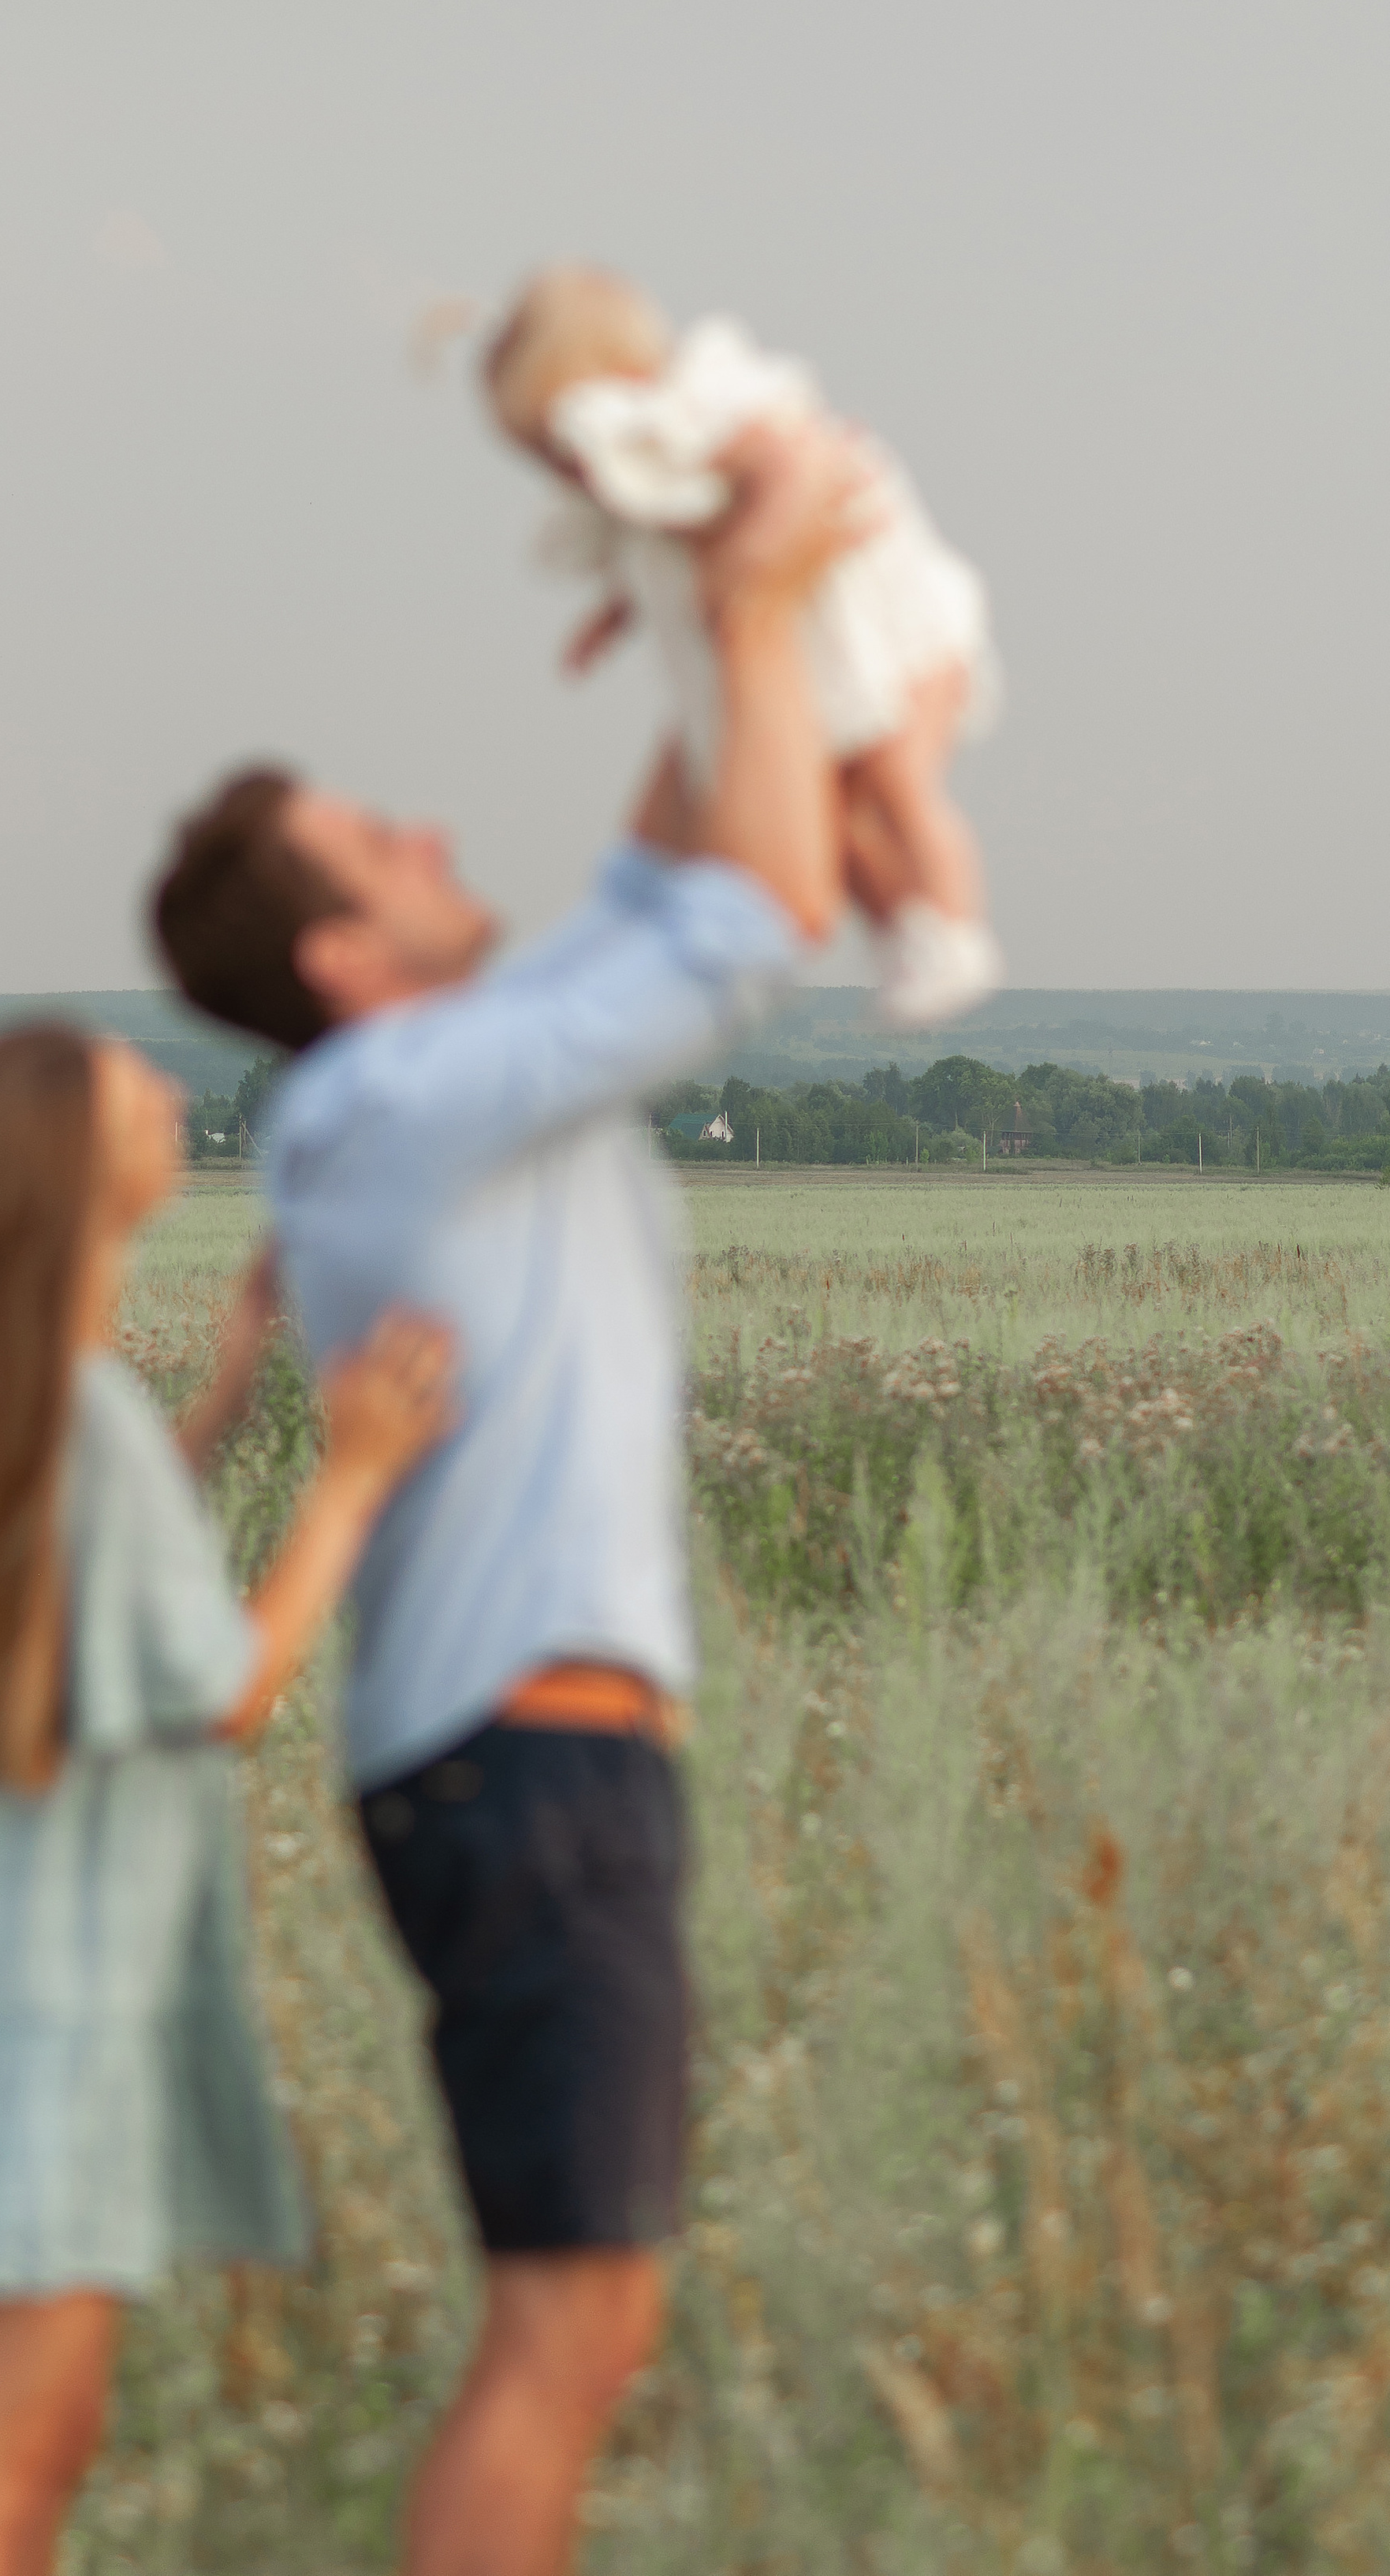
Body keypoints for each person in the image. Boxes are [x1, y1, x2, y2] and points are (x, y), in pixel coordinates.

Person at [151, 419, 868, 2576]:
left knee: (577, 2314)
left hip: (509, 1763)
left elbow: (660, 880)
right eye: (382, 839)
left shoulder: (406, 1087)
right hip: (530, 1766)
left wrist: (688, 612)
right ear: (342, 955)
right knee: (569, 2325)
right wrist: (758, 602)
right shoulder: (419, 1093)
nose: (438, 827)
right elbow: (757, 914)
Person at [0, 1024, 454, 2576]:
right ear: (69, 1172)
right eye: (127, 1085)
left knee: (29, 2446)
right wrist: (353, 1474)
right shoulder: (80, 1425)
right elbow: (226, 1687)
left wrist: (222, 1393)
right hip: (37, 2005)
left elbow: (102, 1582)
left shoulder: (34, 1407)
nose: (167, 1088)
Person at [483, 261, 1003, 1028]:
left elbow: (789, 463)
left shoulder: (703, 415)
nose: (574, 478)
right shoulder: (648, 475)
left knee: (898, 783)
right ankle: (904, 937)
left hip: (899, 634)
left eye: (563, 452)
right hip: (834, 659)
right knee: (840, 820)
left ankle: (955, 930)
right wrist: (614, 616)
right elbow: (652, 553)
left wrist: (755, 570)